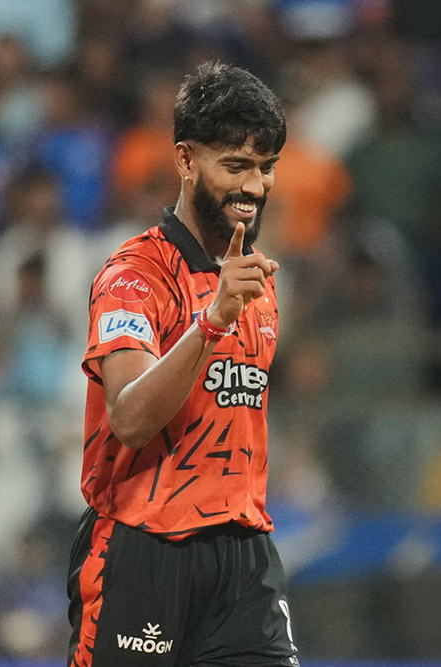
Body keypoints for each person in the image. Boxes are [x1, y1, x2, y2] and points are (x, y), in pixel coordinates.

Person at [68, 61, 299, 666]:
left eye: (266, 167)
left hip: (243, 554)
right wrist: (212, 320)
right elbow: (131, 417)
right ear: (185, 160)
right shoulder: (134, 276)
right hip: (144, 550)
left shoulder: (259, 282)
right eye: (236, 165)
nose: (255, 186)